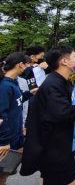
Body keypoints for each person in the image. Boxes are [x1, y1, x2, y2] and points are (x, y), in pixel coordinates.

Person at [20, 46, 75, 185]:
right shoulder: (53, 84)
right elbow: (64, 113)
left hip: (61, 145)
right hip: (55, 149)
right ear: (64, 61)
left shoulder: (61, 81)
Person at [0, 52, 35, 185]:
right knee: (2, 173)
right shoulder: (4, 86)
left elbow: (16, 103)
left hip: (15, 136)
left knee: (5, 173)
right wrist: (4, 142)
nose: (28, 68)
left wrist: (29, 93)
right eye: (26, 65)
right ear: (19, 65)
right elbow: (1, 116)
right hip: (5, 141)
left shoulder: (13, 83)